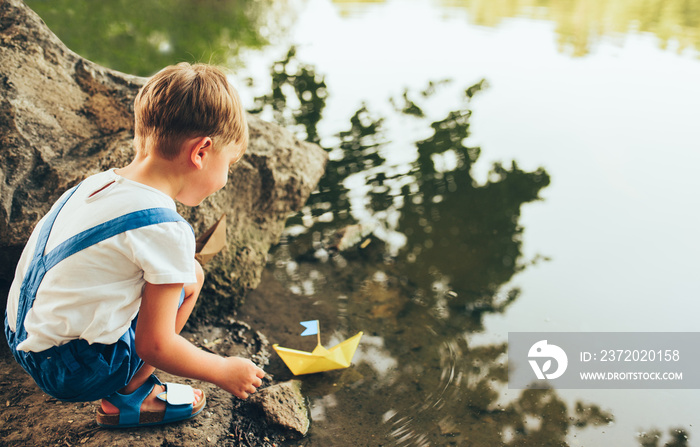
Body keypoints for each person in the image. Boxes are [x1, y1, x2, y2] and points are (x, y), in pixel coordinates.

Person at [4, 62, 265, 428]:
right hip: (68, 371)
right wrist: (222, 369)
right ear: (202, 152)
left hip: (20, 334)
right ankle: (128, 399)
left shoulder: (94, 185)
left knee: (178, 272)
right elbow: (155, 346)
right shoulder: (167, 229)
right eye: (230, 164)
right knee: (192, 277)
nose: (225, 178)